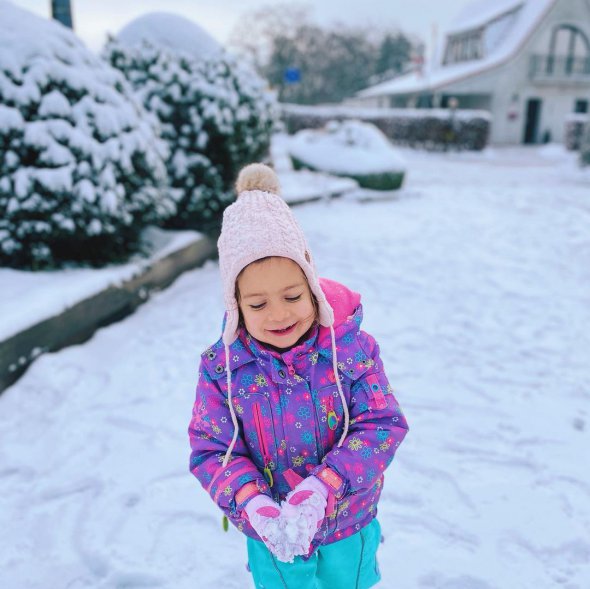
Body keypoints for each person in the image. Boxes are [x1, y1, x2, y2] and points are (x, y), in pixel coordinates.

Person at [188, 163, 409, 589]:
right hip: (273, 535)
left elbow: (382, 424)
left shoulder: (351, 350)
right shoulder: (223, 371)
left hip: (349, 522)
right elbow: (210, 448)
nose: (279, 314)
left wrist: (327, 485)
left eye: (292, 295)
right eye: (257, 304)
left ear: (312, 286)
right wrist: (251, 502)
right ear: (235, 305)